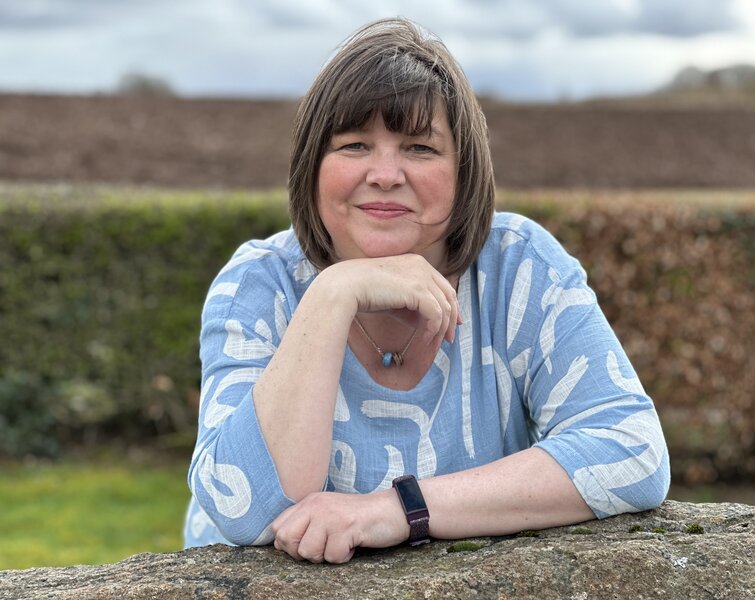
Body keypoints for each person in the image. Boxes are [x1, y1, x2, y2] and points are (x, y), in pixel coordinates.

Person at [183, 17, 670, 564]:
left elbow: (632, 451)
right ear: (311, 167)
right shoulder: (260, 282)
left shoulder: (518, 267)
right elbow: (244, 510)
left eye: (419, 147)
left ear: (464, 172)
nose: (386, 173)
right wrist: (332, 295)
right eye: (354, 145)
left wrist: (398, 508)